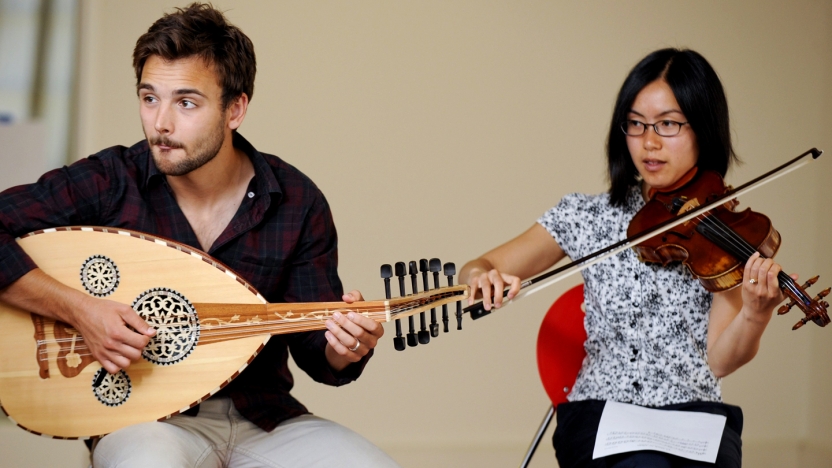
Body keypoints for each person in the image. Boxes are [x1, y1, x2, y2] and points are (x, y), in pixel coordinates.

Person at [0, 4, 399, 467]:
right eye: (150, 98)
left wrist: (346, 346)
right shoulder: (112, 180)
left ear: (235, 109)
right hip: (144, 420)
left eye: (186, 103)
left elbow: (318, 355)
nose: (161, 124)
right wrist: (80, 309)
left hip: (263, 418)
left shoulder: (295, 200)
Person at [460, 48, 791, 468]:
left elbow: (720, 360)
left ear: (703, 128)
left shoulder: (723, 227)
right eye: (636, 124)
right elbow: (478, 267)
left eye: (668, 124)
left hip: (692, 420)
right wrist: (481, 277)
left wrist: (756, 314)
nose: (649, 142)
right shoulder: (585, 215)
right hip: (602, 415)